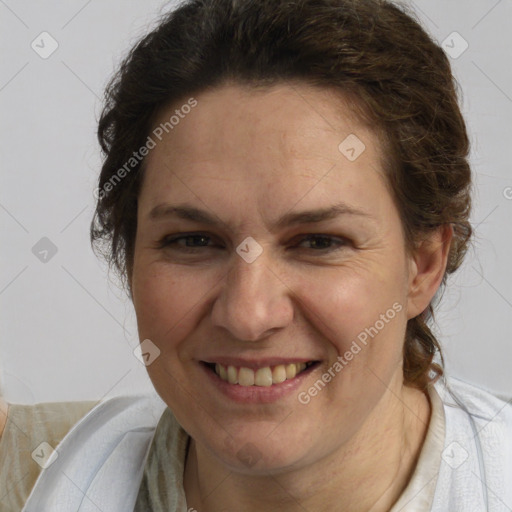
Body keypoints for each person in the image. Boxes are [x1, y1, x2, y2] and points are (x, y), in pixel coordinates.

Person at [1, 0, 511, 510]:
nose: (248, 315)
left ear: (422, 265)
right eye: (194, 240)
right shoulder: (25, 477)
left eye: (319, 242)